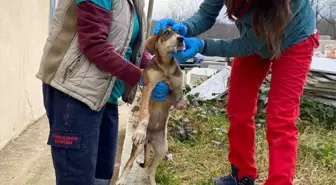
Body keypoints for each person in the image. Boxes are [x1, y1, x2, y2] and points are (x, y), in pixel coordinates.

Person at [153, 0, 319, 185]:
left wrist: (202, 45)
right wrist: (185, 27)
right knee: (239, 106)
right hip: (254, 36)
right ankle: (242, 175)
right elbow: (206, 15)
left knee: (281, 117)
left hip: (294, 39)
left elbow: (247, 45)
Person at [36, 0, 169, 185]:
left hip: (107, 96)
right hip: (74, 94)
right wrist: (142, 77)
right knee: (76, 179)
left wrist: (154, 67)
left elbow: (128, 43)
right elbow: (94, 44)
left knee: (102, 176)